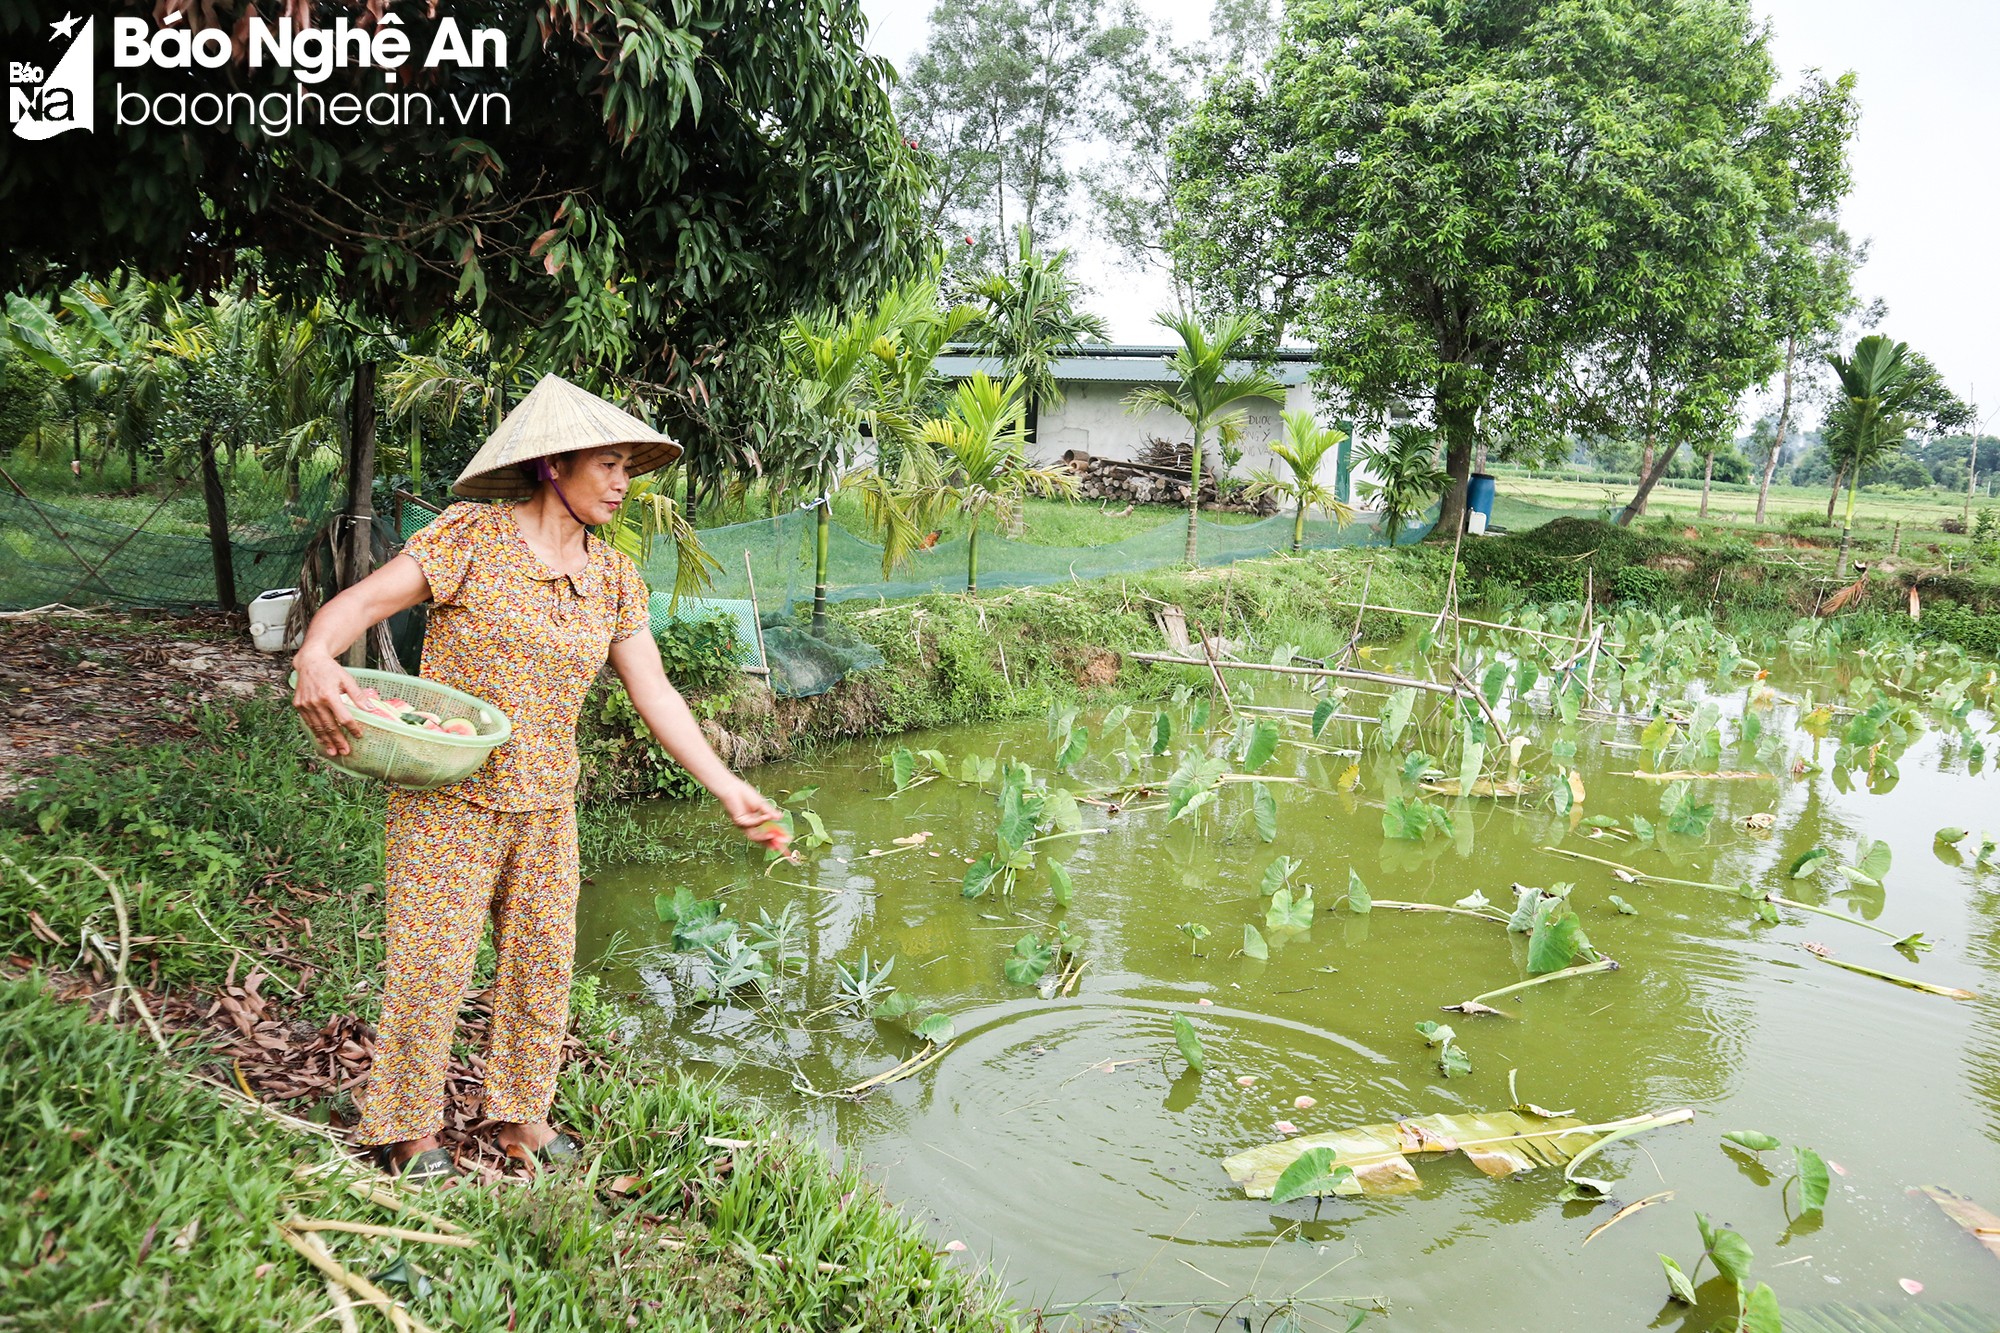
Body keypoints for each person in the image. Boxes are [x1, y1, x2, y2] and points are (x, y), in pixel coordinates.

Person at [291, 374, 788, 1181]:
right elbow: (361, 605)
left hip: (549, 799)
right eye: (611, 464)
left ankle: (520, 1114)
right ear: (555, 463)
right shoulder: (471, 539)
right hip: (448, 795)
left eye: (632, 466)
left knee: (542, 961)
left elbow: (654, 689)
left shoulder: (615, 579)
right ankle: (408, 1131)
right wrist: (317, 652)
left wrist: (725, 783)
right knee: (432, 960)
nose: (626, 483)